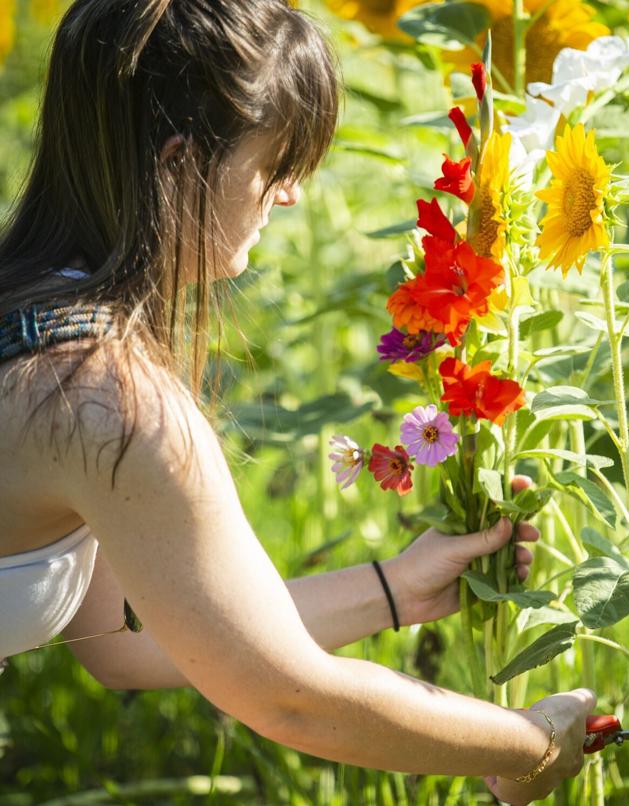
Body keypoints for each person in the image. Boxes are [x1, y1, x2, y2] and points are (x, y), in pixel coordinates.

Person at [0, 1, 596, 803]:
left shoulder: (29, 316)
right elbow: (289, 698)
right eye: (275, 165)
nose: (290, 199)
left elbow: (127, 645)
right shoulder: (105, 402)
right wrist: (530, 745)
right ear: (178, 165)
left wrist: (397, 588)